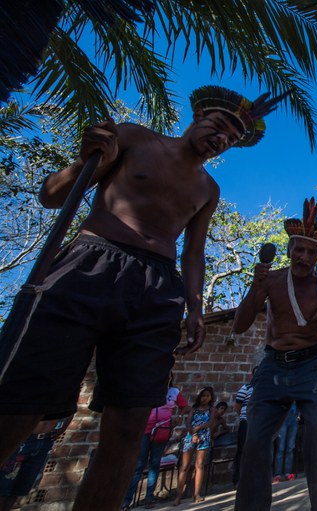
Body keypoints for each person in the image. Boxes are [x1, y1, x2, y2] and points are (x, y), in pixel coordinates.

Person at [0, 85, 283, 510]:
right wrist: (86, 157)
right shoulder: (133, 138)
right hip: (87, 267)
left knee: (131, 420)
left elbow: (193, 253)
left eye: (233, 138)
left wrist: (195, 307)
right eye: (220, 126)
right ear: (198, 115)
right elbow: (51, 196)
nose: (223, 139)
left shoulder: (208, 189)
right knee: (21, 405)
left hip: (157, 287)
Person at [232, 197, 317, 511]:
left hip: (312, 366)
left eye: (312, 252)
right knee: (254, 442)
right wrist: (255, 286)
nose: (304, 256)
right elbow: (240, 326)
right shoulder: (270, 280)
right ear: (288, 251)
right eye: (299, 249)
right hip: (272, 367)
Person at [122, 374, 189, 510]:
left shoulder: (173, 392)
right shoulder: (149, 388)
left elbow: (185, 407)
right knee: (139, 465)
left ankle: (149, 497)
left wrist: (179, 417)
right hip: (145, 431)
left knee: (154, 463)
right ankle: (127, 499)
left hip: (162, 431)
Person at [0, 416, 73, 511]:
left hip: (45, 440)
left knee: (17, 489)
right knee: (3, 487)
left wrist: (63, 428)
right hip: (22, 437)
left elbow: (72, 407)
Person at [174, 386, 215, 505]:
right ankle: (178, 495)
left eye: (207, 396)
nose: (205, 398)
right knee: (184, 466)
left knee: (200, 465)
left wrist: (199, 428)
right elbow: (188, 423)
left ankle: (196, 494)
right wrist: (193, 433)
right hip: (190, 437)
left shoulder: (211, 409)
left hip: (204, 437)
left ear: (211, 397)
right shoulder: (194, 408)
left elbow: (211, 422)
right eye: (203, 396)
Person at [233, 367, 256, 487]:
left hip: (258, 423)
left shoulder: (265, 388)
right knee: (242, 450)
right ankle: (238, 478)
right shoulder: (246, 388)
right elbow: (238, 405)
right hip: (246, 422)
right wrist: (244, 416)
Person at [273, 402, 299, 483]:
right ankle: (278, 474)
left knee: (290, 447)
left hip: (294, 419)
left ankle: (288, 472)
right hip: (283, 419)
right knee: (281, 447)